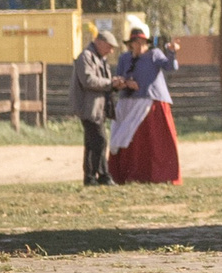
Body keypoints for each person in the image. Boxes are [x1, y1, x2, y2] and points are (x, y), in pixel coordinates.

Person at [107, 23, 183, 185]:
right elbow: (118, 78)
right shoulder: (124, 58)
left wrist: (171, 51)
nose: (139, 45)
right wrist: (126, 83)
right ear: (130, 43)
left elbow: (171, 67)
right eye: (135, 41)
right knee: (125, 138)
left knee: (153, 142)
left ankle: (158, 175)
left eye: (142, 41)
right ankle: (125, 175)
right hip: (128, 103)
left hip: (151, 103)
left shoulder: (154, 54)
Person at [70, 28, 117, 186]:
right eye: (109, 46)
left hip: (98, 108)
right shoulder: (86, 57)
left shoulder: (99, 58)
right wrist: (111, 84)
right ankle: (100, 176)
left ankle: (92, 177)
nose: (111, 51)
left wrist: (115, 84)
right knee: (100, 141)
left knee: (93, 143)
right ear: (100, 42)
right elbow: (88, 80)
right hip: (88, 107)